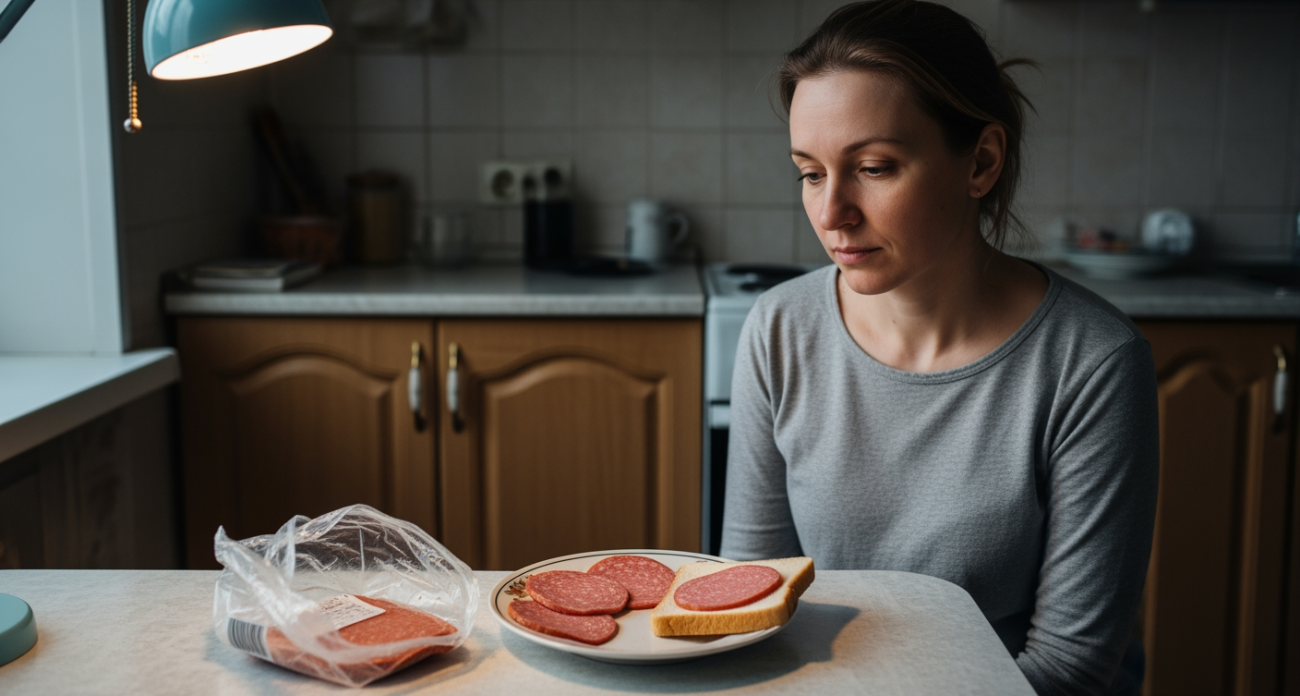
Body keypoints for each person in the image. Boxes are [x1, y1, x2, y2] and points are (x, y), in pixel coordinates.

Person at [718, 2, 1159, 695]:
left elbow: (1069, 669)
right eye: (810, 172)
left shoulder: (1094, 363)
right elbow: (747, 598)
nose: (831, 213)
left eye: (873, 166)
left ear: (980, 162)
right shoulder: (778, 329)